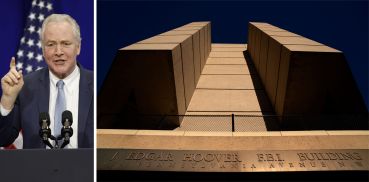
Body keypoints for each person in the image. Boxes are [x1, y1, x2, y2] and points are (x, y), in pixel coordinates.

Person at [0, 14, 93, 148]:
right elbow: (3, 139)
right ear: (43, 50)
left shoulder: (94, 85)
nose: (58, 51)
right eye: (51, 44)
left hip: (85, 167)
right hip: (37, 167)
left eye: (65, 44)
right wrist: (7, 100)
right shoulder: (25, 86)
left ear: (78, 47)